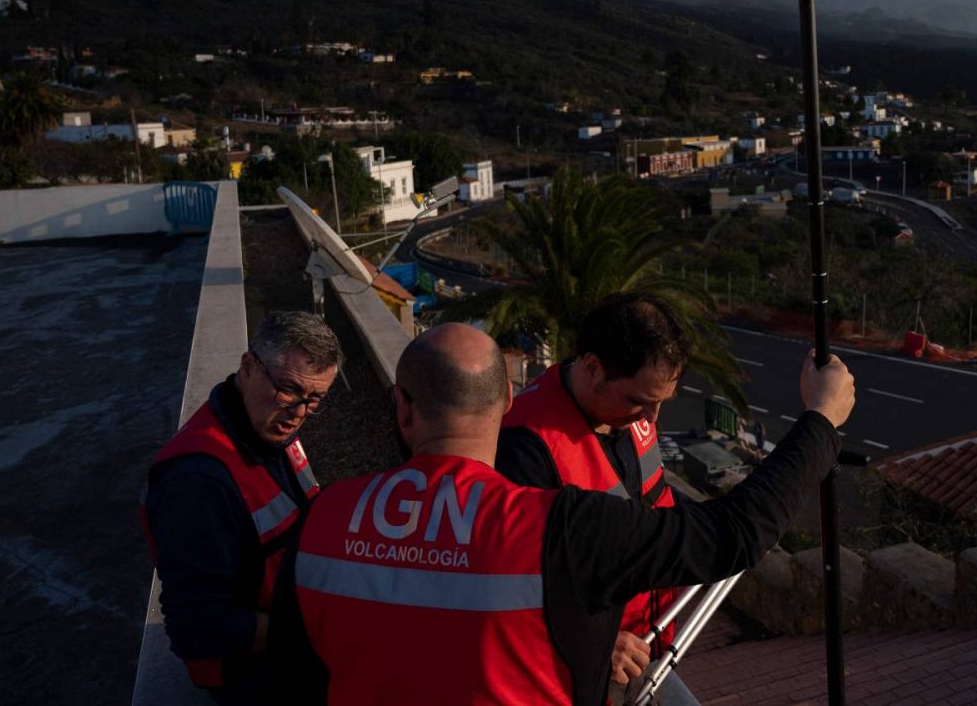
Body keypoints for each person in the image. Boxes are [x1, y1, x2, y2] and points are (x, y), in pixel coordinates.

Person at [269, 322, 854, 706]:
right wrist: (820, 422)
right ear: (503, 404)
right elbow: (735, 533)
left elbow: (294, 679)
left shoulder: (321, 521)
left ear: (401, 405)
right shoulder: (564, 528)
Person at [495, 293, 692, 699]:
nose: (653, 418)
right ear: (593, 368)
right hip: (585, 669)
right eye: (639, 401)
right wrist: (598, 642)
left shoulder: (628, 412)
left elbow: (650, 498)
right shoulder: (524, 446)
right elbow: (509, 584)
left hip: (648, 644)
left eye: (660, 402)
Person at [142, 311, 341, 702]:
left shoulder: (267, 428)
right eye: (288, 390)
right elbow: (198, 630)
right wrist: (308, 621)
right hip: (256, 676)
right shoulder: (196, 482)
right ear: (248, 366)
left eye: (314, 399)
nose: (299, 413)